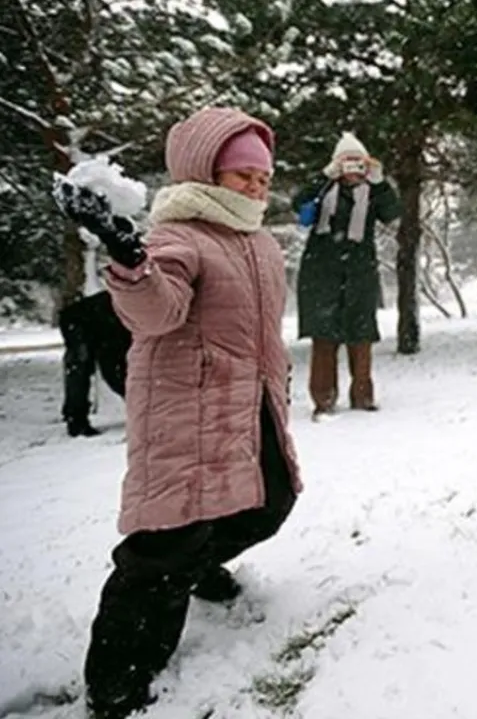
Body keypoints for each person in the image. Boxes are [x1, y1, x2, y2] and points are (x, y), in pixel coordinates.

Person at [53, 106, 304, 719]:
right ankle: (117, 684)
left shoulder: (259, 242)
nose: (258, 185)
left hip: (251, 407)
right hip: (184, 414)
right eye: (244, 174)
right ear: (206, 172)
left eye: (264, 175)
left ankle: (197, 569)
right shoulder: (177, 236)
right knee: (162, 553)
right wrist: (126, 257)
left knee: (271, 502)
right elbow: (155, 311)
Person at [293, 132, 401, 417]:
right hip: (321, 272)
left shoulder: (372, 192)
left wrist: (380, 183)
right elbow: (298, 204)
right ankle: (323, 400)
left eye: (358, 163)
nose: (353, 170)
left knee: (361, 335)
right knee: (324, 337)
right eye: (347, 163)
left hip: (359, 272)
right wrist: (323, 176)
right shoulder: (323, 189)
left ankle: (363, 397)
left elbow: (392, 213)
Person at [57, 231, 131, 437]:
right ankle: (76, 421)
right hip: (84, 321)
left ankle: (73, 413)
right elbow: (116, 371)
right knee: (81, 365)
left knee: (82, 366)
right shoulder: (125, 321)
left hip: (94, 320)